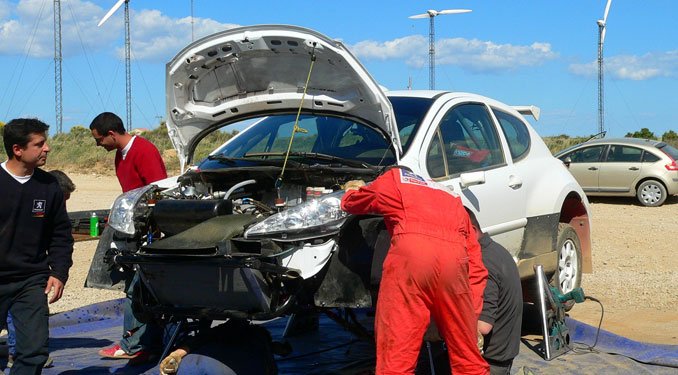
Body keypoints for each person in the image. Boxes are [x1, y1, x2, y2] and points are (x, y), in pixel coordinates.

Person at [341, 167, 489, 375]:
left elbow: (356, 203)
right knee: (468, 360)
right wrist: (467, 317)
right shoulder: (450, 194)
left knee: (397, 359)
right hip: (455, 262)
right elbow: (475, 265)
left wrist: (351, 191)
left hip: (412, 255)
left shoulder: (394, 178)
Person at [89, 112, 168, 363]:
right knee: (136, 285)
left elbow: (158, 191)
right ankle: (146, 342)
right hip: (132, 227)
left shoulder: (144, 151)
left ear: (111, 134)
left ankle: (134, 343)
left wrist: (152, 233)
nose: (98, 145)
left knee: (138, 286)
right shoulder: (119, 156)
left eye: (99, 140)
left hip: (148, 230)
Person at [0, 118, 74, 373]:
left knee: (34, 353)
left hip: (30, 281)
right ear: (17, 149)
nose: (47, 148)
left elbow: (61, 234)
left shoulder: (49, 185)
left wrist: (59, 272)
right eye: (39, 143)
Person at [467, 209, 523, 375]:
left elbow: (483, 326)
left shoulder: (482, 263)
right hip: (503, 352)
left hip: (491, 362)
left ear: (472, 230)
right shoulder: (496, 250)